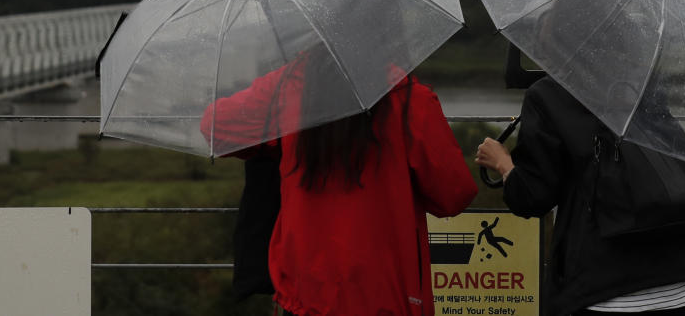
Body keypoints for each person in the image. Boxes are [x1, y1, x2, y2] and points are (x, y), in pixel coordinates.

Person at [201, 47, 479, 316]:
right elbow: (454, 195)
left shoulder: (287, 88)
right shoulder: (409, 100)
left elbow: (214, 126)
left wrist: (278, 136)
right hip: (389, 298)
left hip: (305, 299)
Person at [476, 75, 685, 316]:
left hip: (605, 289)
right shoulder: (644, 79)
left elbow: (532, 197)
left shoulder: (549, 93)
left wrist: (504, 164)